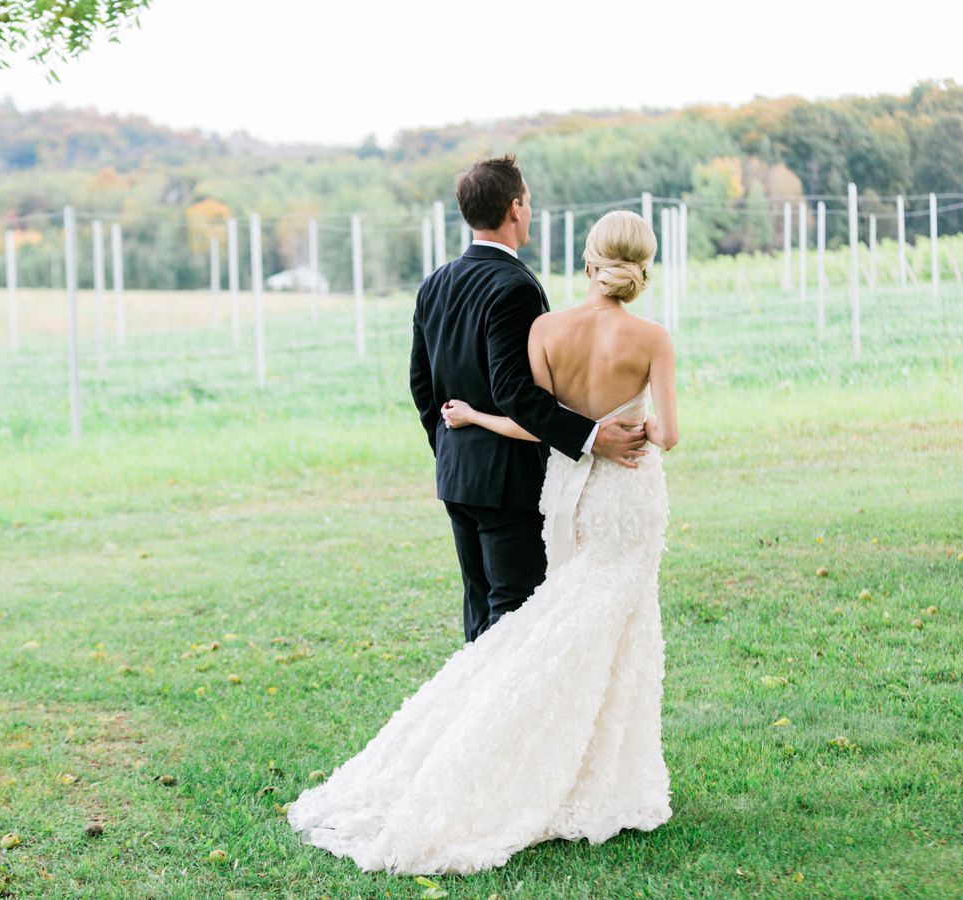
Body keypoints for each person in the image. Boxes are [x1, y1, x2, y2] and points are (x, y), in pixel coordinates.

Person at [286, 206, 678, 875]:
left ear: (590, 259)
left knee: (543, 620)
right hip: (626, 498)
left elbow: (530, 418)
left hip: (559, 495)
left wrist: (466, 422)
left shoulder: (545, 329)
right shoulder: (651, 339)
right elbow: (666, 435)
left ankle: (583, 768)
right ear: (643, 263)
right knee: (597, 630)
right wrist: (629, 433)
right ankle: (571, 770)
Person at [407, 155, 648, 645]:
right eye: (530, 203)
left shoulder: (435, 282)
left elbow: (420, 384)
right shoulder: (514, 286)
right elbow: (515, 391)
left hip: (456, 476)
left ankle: (469, 716)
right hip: (506, 480)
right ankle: (497, 719)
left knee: (480, 616)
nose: (531, 212)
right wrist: (591, 436)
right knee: (515, 617)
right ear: (515, 208)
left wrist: (451, 450)